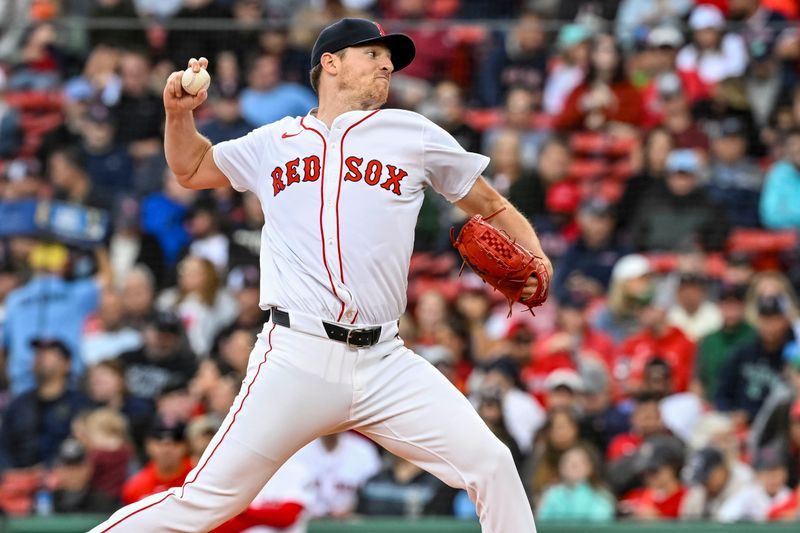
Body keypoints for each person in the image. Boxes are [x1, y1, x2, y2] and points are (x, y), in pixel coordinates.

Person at [92, 18, 551, 533]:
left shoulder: (413, 134)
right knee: (206, 501)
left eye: (389, 58)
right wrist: (178, 115)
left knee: (492, 464)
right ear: (330, 63)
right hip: (298, 355)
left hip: (385, 361)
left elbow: (488, 202)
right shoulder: (275, 141)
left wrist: (536, 253)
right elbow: (192, 167)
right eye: (373, 53)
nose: (387, 64)